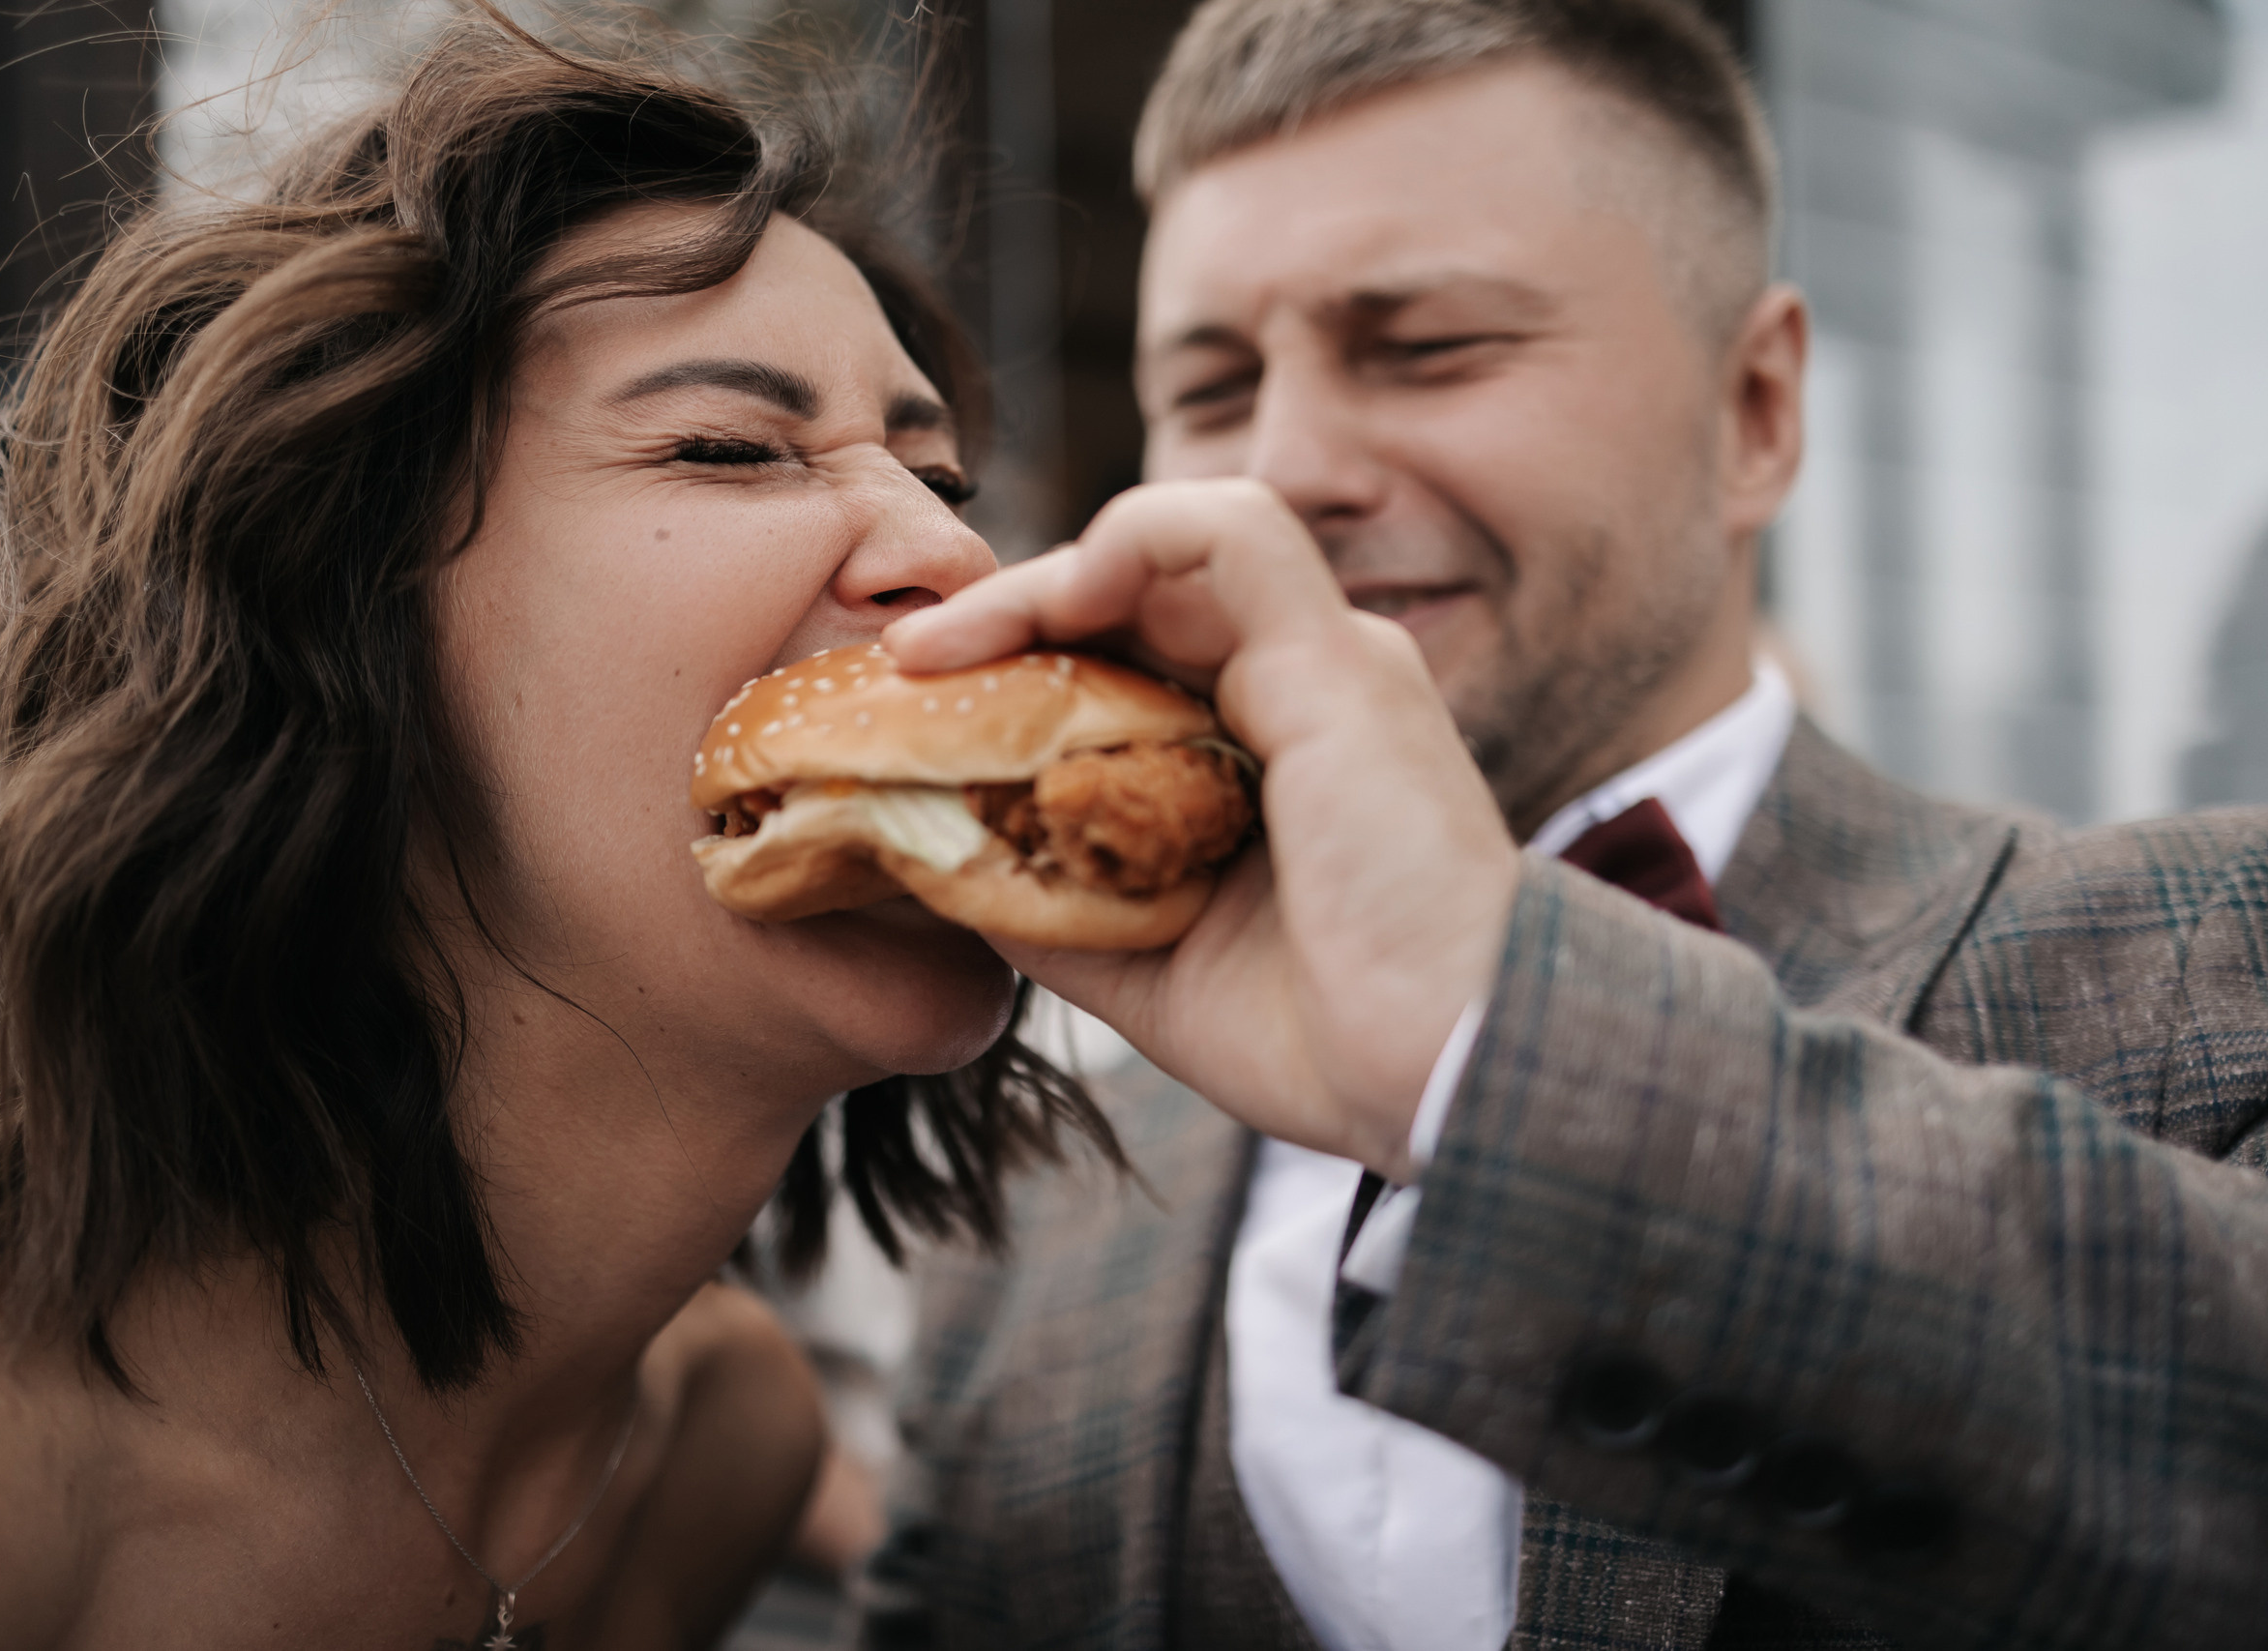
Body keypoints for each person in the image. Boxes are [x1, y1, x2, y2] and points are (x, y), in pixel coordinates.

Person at [868, 1, 2268, 1648]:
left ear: (1755, 411)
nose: (1290, 471)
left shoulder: (2212, 972)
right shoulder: (1024, 1225)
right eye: (1216, 384)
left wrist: (1496, 1045)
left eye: (1429, 347)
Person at [0, 14, 1114, 1649]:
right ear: (340, 630)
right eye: (730, 447)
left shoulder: (712, 1448)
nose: (960, 564)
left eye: (948, 478)